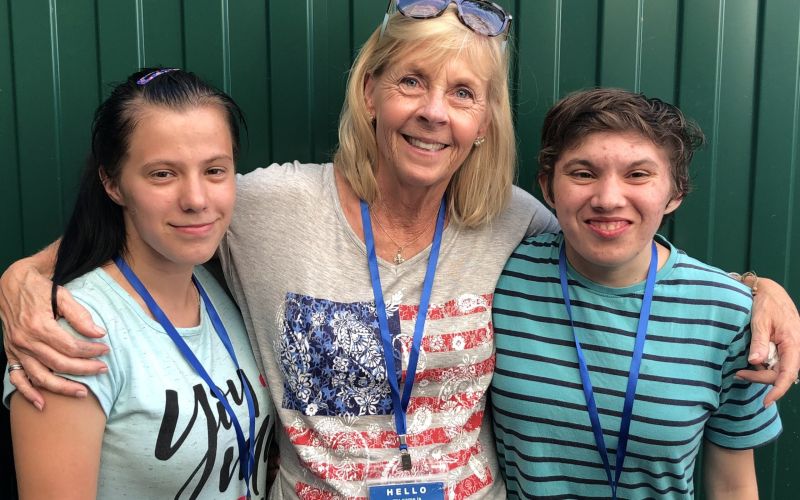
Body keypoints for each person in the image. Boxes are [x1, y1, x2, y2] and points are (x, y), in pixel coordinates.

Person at [0, 2, 798, 499]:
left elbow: (619, 247)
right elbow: (171, 207)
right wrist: (28, 273)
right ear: (371, 93)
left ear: (486, 119)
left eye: (463, 93)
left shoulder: (511, 218)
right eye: (412, 82)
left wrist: (754, 290)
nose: (433, 113)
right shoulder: (275, 204)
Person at [491, 88, 783, 499]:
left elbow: (733, 486)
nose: (608, 199)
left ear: (675, 192)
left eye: (638, 174)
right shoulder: (498, 278)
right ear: (549, 187)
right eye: (583, 173)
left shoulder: (731, 316)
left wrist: (759, 288)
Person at [3, 68, 274, 499]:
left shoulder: (217, 285)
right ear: (112, 183)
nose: (197, 199)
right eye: (162, 174)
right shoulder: (70, 334)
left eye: (215, 170)